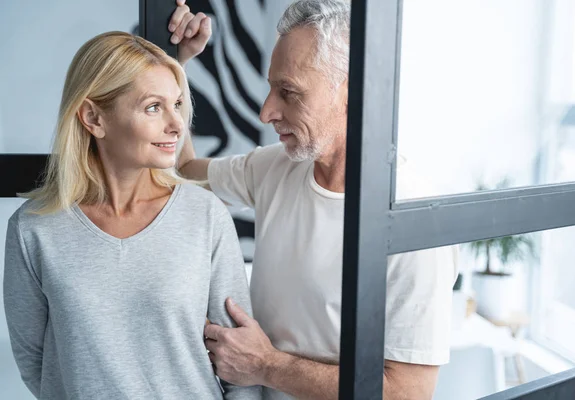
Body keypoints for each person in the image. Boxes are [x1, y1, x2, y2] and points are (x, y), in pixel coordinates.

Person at [177, 0, 457, 399]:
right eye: (271, 88)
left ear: (351, 90)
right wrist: (179, 64)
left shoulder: (414, 217)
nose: (266, 112)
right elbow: (184, 171)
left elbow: (407, 394)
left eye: (288, 92)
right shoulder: (274, 168)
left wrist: (265, 365)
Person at [3, 9, 261, 399]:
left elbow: (240, 370)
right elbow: (35, 361)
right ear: (93, 117)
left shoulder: (204, 215)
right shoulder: (34, 228)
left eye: (177, 104)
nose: (176, 125)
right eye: (153, 107)